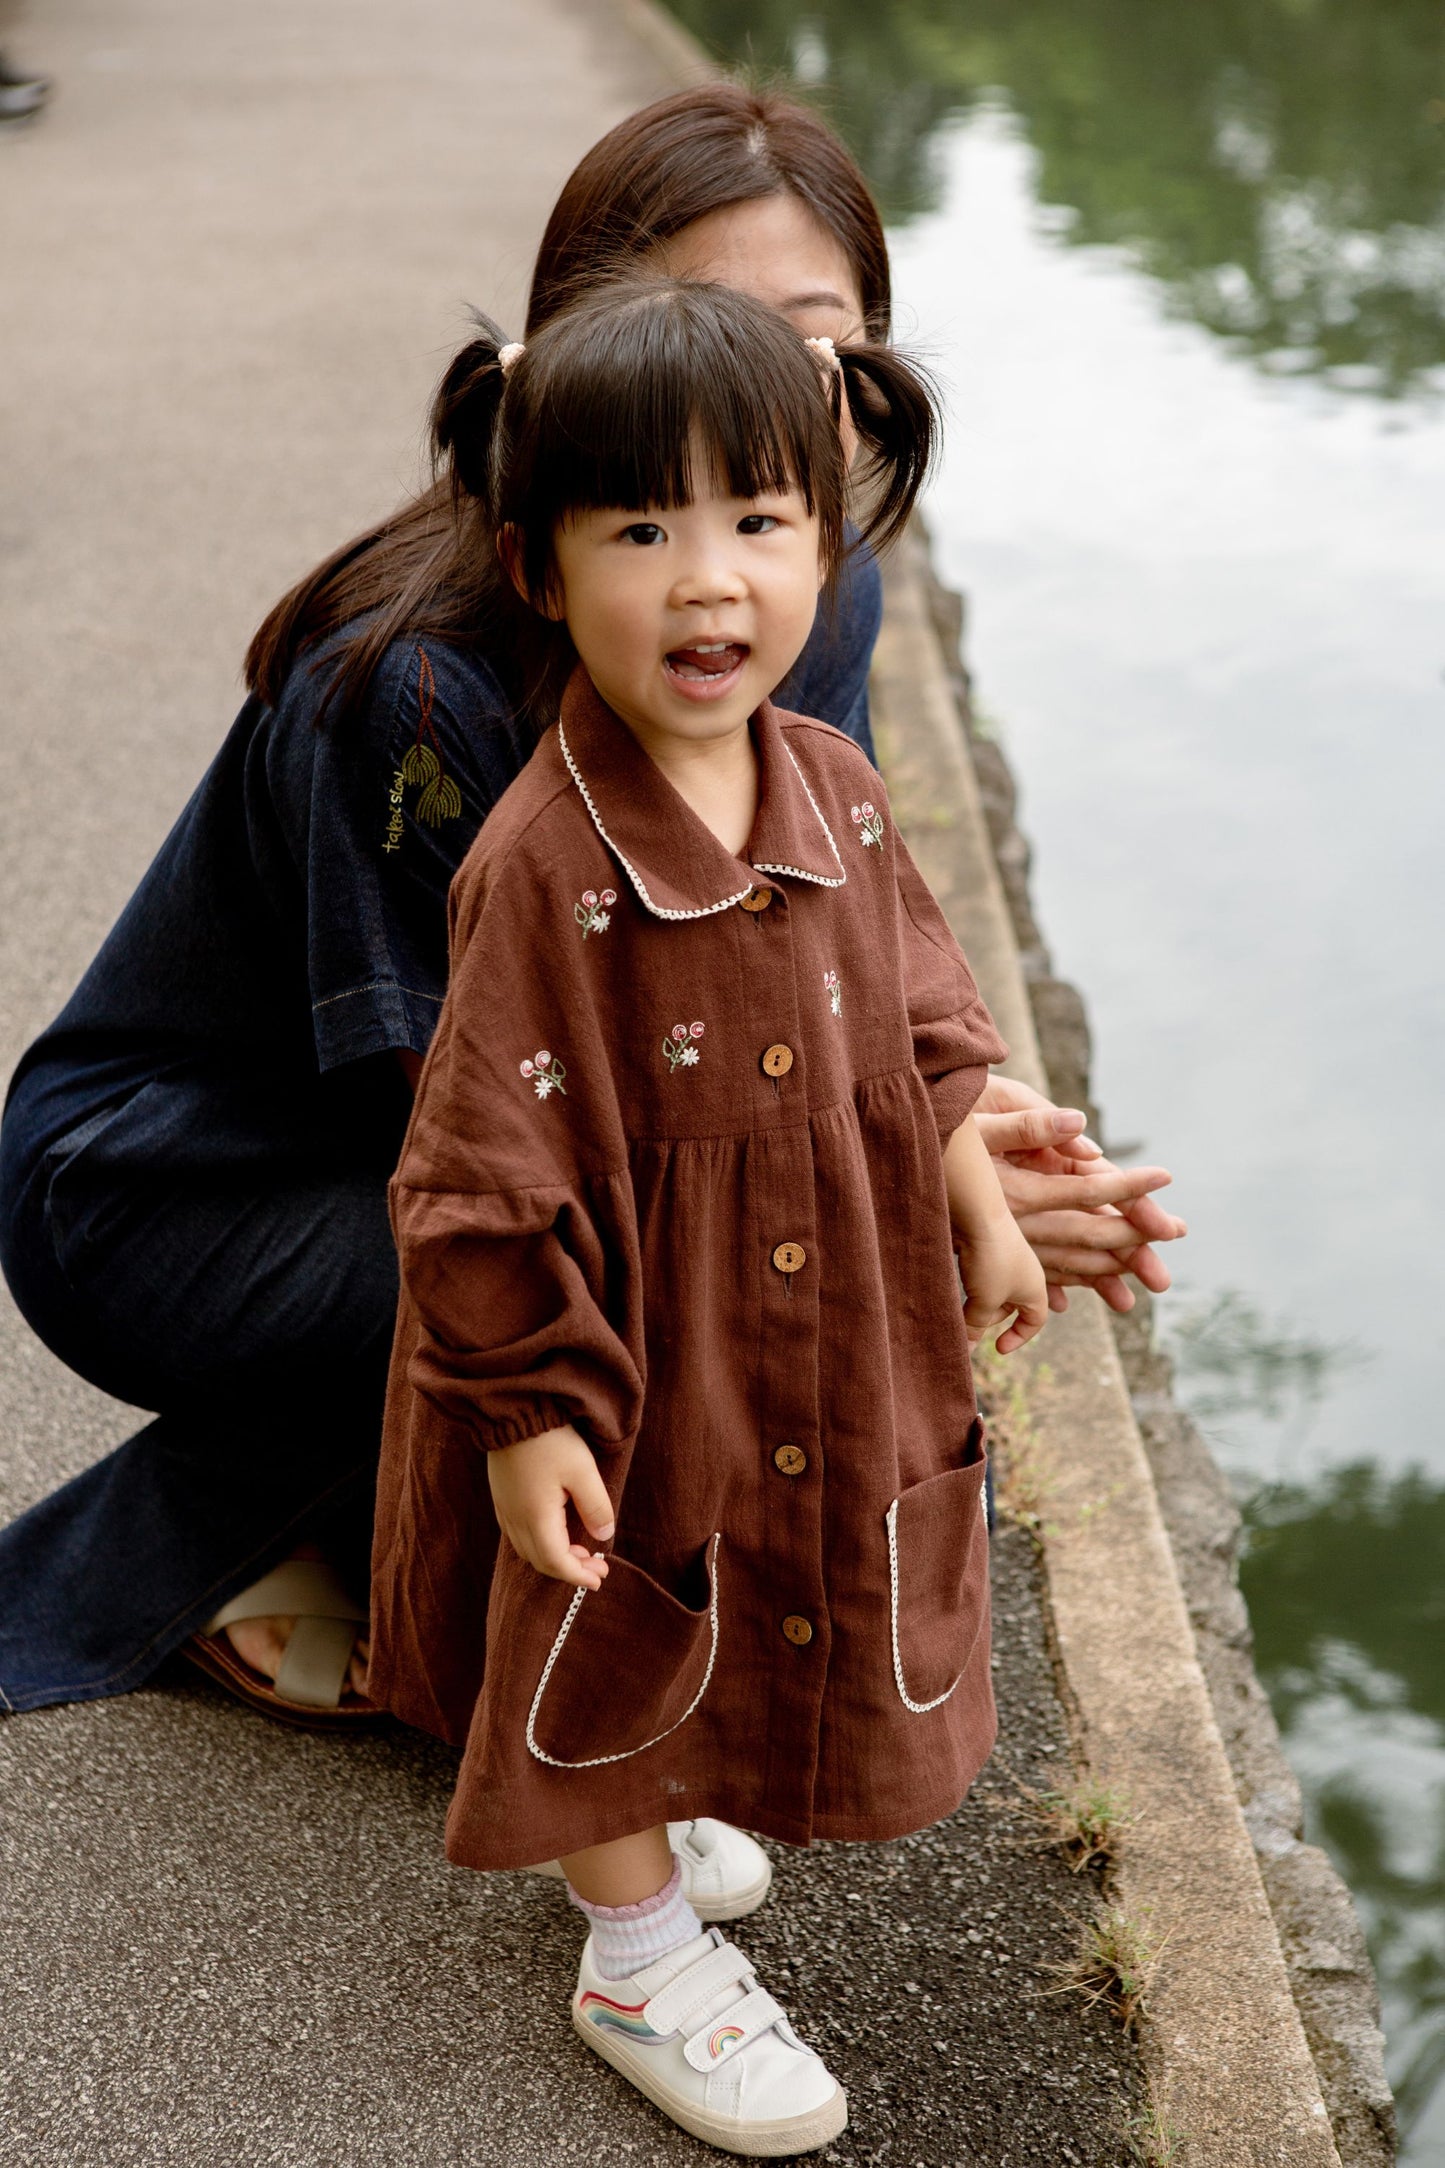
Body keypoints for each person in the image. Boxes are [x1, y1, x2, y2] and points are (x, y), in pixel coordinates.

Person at [0, 83, 1182, 1730]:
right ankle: (283, 1580)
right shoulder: (411, 692)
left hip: (469, 1145)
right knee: (651, 1268)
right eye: (697, 322)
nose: (761, 394)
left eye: (819, 345)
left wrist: (956, 1117)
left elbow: (790, 935)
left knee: (727, 1247)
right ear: (571, 377)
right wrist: (891, 1195)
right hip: (177, 1194)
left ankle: (388, 1538)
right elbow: (487, 1149)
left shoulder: (804, 587)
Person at [369, 272, 1046, 2157]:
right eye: (640, 529)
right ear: (538, 563)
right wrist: (526, 1410)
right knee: (618, 1602)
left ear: (825, 545)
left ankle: (683, 1808)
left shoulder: (825, 776)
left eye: (758, 522)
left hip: (816, 1303)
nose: (706, 582)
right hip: (633, 1331)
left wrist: (975, 1186)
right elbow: (481, 1172)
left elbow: (917, 1007)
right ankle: (632, 1947)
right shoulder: (544, 863)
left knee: (760, 1564)